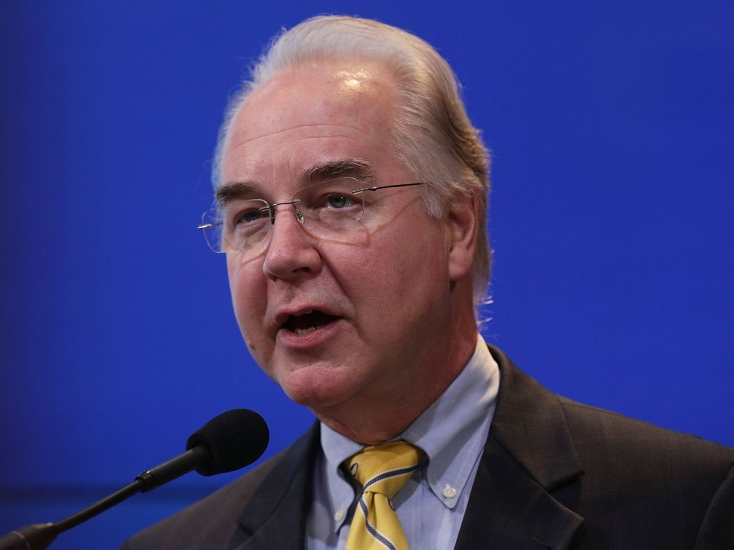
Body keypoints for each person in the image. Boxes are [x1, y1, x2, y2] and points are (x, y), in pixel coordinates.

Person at [124, 15, 733, 549]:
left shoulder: (687, 508)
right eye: (251, 216)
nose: (282, 256)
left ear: (458, 227)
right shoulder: (175, 544)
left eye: (337, 200)